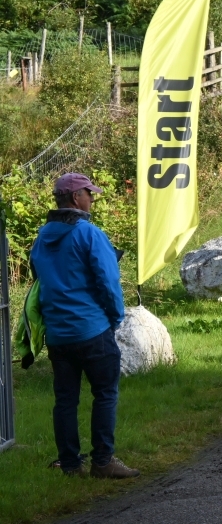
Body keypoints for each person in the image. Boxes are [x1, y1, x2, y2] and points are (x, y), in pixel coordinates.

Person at [30, 173, 139, 479]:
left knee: (65, 400)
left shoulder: (41, 237)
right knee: (104, 394)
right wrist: (115, 317)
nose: (92, 198)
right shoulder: (88, 233)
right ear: (76, 197)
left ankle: (70, 465)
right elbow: (108, 281)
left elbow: (38, 283)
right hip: (91, 329)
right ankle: (103, 461)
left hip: (58, 334)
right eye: (89, 193)